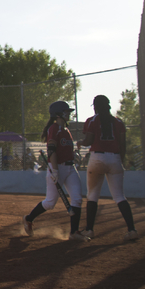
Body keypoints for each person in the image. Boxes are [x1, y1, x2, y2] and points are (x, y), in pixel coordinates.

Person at [22, 101, 87, 241]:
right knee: (50, 203)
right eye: (66, 112)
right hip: (57, 168)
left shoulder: (66, 130)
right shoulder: (54, 128)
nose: (68, 114)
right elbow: (51, 151)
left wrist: (73, 154)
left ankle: (74, 232)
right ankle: (29, 218)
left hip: (70, 168)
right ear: (58, 114)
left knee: (77, 199)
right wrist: (55, 171)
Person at [77, 95, 138, 240]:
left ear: (95, 106)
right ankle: (132, 230)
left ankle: (89, 230)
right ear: (109, 106)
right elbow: (122, 145)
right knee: (119, 196)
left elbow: (89, 140)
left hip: (97, 158)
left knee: (92, 195)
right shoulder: (118, 122)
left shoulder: (92, 121)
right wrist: (119, 161)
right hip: (115, 158)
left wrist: (80, 143)